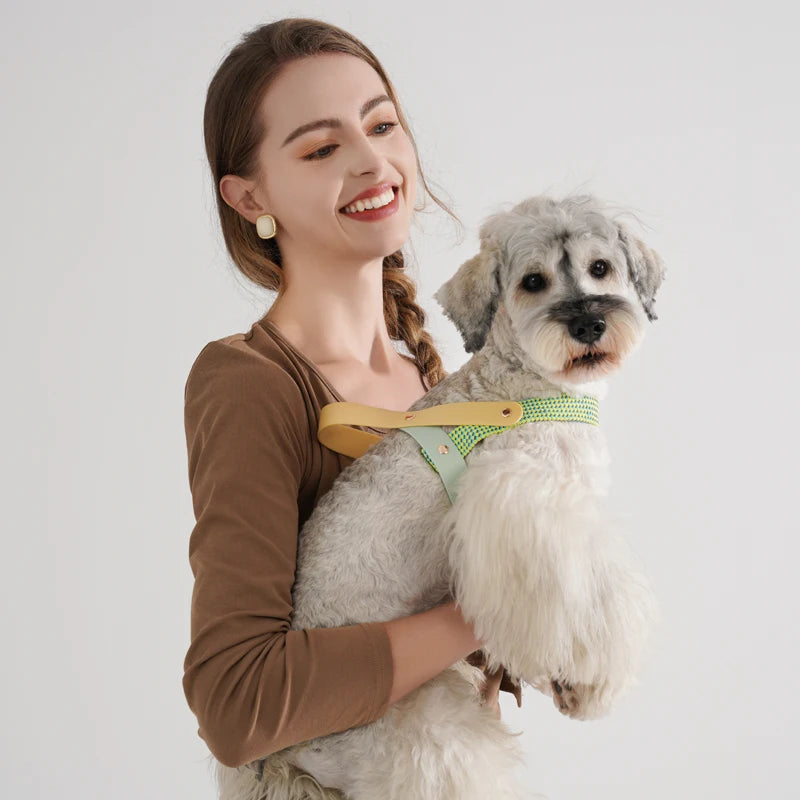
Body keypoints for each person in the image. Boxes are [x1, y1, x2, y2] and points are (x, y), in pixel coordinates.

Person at [182, 17, 522, 771]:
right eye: (322, 147)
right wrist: (485, 617)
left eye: (381, 124)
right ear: (247, 196)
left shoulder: (435, 381)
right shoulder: (250, 383)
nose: (373, 161)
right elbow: (235, 701)